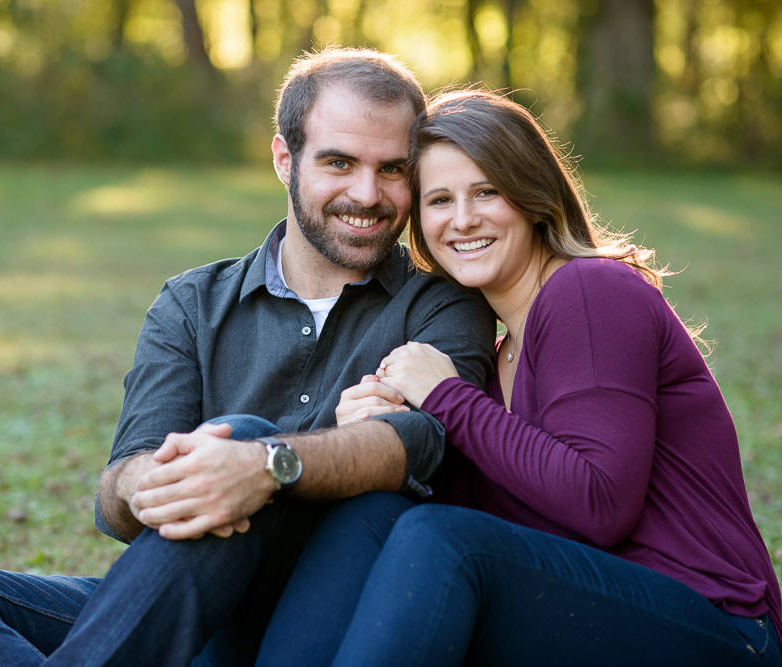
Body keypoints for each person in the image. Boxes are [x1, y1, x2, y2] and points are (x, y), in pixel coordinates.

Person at [0, 50, 497, 666]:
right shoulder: (193, 302)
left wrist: (265, 464)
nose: (368, 193)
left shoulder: (440, 302)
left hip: (325, 622)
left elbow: (425, 440)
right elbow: (118, 493)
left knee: (241, 437)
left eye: (392, 169)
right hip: (174, 609)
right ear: (283, 157)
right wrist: (155, 482)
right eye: (338, 163)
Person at [261, 89, 782, 666]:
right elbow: (498, 507)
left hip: (721, 630)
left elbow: (599, 504)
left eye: (486, 191)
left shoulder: (590, 291)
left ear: (533, 196)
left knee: (444, 541)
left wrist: (445, 398)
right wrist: (389, 426)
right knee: (375, 518)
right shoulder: (499, 349)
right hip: (583, 614)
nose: (463, 219)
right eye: (439, 200)